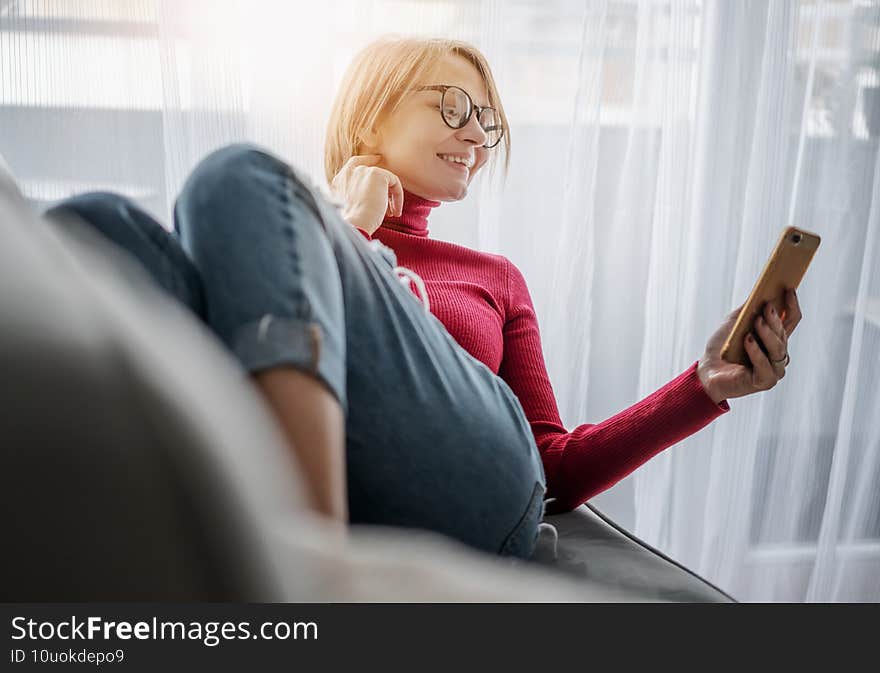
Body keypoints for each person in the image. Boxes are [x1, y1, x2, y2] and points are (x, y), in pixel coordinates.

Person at [42, 36, 801, 561]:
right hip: (351, 456)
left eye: (487, 119)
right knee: (96, 225)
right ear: (372, 110)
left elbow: (558, 469)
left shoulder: (494, 276)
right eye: (453, 107)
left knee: (233, 174)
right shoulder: (284, 233)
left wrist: (703, 386)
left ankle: (303, 566)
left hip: (479, 477)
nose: (477, 133)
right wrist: (352, 223)